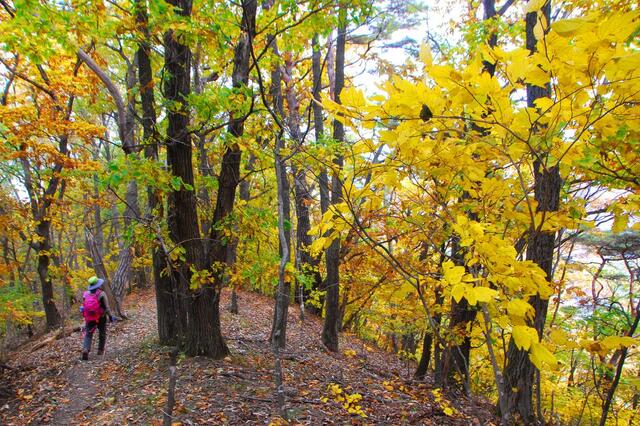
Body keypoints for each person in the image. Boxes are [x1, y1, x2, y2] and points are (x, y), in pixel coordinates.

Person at [81, 276, 115, 360]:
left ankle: (86, 349)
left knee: (88, 334)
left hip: (89, 318)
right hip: (101, 317)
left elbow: (84, 306)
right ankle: (100, 350)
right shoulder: (102, 293)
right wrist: (111, 317)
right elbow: (107, 307)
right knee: (102, 333)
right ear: (98, 285)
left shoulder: (85, 294)